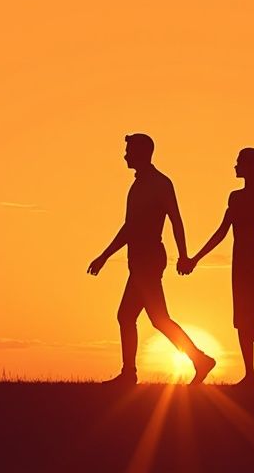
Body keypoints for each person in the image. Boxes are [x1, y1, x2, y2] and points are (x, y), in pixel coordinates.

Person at [87, 133, 216, 385]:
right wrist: (105, 255)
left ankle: (195, 360)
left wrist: (183, 255)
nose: (125, 155)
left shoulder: (160, 184)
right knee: (137, 317)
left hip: (149, 259)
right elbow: (129, 227)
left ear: (142, 153)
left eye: (129, 151)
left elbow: (175, 219)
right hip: (138, 260)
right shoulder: (138, 186)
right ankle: (137, 371)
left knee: (147, 317)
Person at [180, 147, 254, 387]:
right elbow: (221, 232)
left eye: (239, 162)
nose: (235, 166)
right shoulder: (235, 197)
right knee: (243, 319)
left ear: (250, 167)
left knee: (244, 319)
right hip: (241, 260)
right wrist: (196, 258)